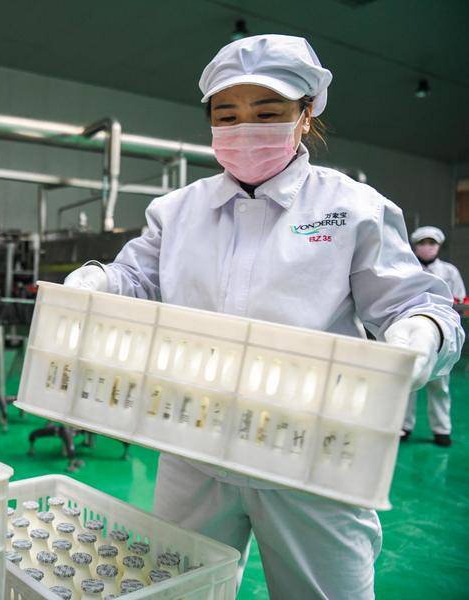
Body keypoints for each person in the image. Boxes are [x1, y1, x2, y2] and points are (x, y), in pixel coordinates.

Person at [64, 34, 463, 598]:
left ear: (306, 116)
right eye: (227, 115)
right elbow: (138, 279)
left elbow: (415, 303)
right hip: (192, 441)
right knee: (179, 587)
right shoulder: (178, 211)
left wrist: (420, 335)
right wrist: (100, 278)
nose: (245, 129)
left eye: (268, 112)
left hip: (311, 453)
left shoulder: (349, 208)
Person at [401, 225, 465, 446]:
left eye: (432, 243)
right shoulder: (405, 268)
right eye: (422, 243)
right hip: (410, 330)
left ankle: (442, 430)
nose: (427, 248)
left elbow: (459, 300)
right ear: (415, 246)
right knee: (408, 380)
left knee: (439, 383)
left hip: (440, 334)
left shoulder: (449, 272)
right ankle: (403, 426)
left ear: (439, 246)